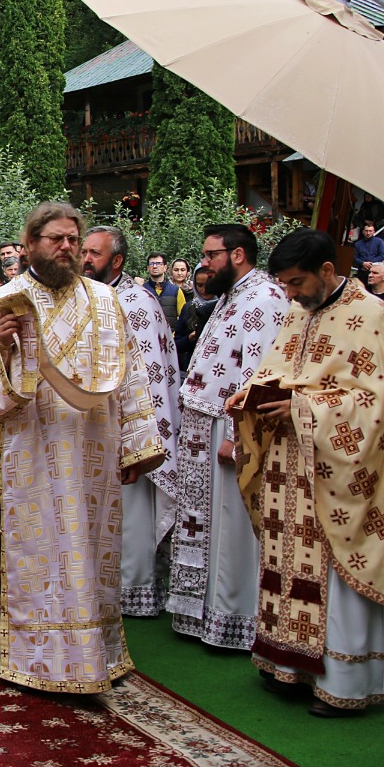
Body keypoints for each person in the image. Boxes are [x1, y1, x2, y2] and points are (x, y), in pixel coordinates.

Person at [0, 202, 165, 693]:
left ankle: (96, 656)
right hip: (29, 451)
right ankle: (33, 662)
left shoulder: (106, 301)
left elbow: (130, 373)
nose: (67, 247)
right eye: (55, 239)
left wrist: (137, 446)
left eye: (74, 239)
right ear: (29, 245)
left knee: (91, 556)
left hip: (94, 450)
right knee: (38, 556)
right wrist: (0, 348)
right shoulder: (2, 303)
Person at [232, 228, 384, 716]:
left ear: (327, 271)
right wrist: (254, 396)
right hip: (289, 466)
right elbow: (279, 371)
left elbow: (383, 402)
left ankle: (345, 681)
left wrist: (303, 408)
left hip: (341, 473)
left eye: (295, 282)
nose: (288, 294)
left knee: (332, 571)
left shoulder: (371, 314)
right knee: (286, 566)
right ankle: (289, 667)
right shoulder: (297, 311)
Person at [168, 225, 286, 649]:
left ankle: (234, 618)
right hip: (205, 424)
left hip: (228, 428)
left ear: (237, 254)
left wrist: (239, 437)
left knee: (231, 526)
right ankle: (201, 614)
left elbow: (258, 373)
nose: (204, 263)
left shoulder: (264, 298)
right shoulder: (232, 296)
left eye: (211, 254)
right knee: (207, 524)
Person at [82, 225, 181, 617]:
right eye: (83, 252)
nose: (85, 260)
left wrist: (137, 444)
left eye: (94, 253)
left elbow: (150, 378)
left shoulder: (135, 303)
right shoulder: (87, 297)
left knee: (131, 514)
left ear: (117, 260)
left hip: (127, 430)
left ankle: (132, 594)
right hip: (91, 425)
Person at [173, 257, 219, 371]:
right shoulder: (189, 307)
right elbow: (177, 344)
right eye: (199, 285)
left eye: (209, 284)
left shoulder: (224, 307)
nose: (204, 290)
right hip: (192, 367)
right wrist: (189, 338)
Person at [143, 252, 186, 332]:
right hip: (148, 339)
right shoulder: (142, 290)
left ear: (165, 267)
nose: (155, 266)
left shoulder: (176, 291)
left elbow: (184, 318)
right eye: (152, 264)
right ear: (148, 268)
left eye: (158, 263)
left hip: (171, 339)